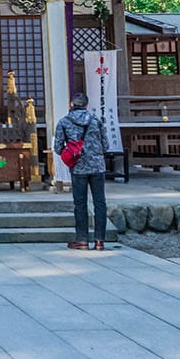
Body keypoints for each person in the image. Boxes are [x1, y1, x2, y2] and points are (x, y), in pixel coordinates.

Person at [53, 93, 108, 249]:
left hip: (78, 167)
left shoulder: (64, 121)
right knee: (100, 202)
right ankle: (99, 240)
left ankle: (82, 239)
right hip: (97, 166)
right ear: (86, 104)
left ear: (71, 104)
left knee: (80, 203)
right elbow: (106, 145)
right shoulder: (96, 120)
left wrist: (71, 151)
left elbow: (57, 147)